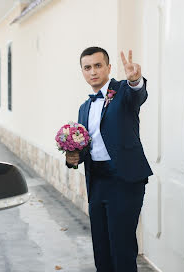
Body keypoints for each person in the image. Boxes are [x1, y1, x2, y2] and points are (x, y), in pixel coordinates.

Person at [66, 46, 153, 272]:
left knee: (121, 248)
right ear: (82, 72)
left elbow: (138, 95)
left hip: (124, 180)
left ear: (108, 67)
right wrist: (73, 156)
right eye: (87, 67)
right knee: (102, 249)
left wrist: (135, 81)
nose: (93, 71)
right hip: (97, 182)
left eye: (97, 65)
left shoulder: (123, 91)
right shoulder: (83, 108)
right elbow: (86, 146)